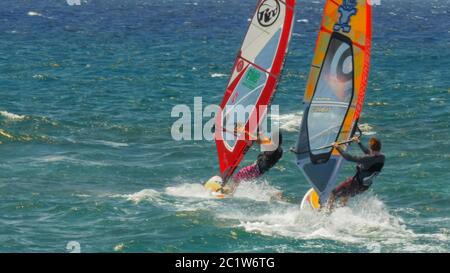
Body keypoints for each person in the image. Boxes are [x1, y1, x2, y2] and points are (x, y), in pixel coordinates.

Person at [326, 136, 385, 210]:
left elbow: (349, 158)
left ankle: (326, 212)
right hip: (364, 186)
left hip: (356, 183)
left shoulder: (367, 158)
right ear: (379, 148)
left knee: (333, 193)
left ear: (371, 147)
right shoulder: (382, 157)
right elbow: (369, 153)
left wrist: (337, 147)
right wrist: (358, 142)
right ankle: (340, 211)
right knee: (345, 195)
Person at [221, 129, 283, 195]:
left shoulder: (272, 146)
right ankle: (230, 191)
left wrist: (246, 133)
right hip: (259, 171)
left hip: (256, 169)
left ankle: (228, 192)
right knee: (239, 178)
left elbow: (260, 141)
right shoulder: (279, 149)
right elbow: (263, 141)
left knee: (238, 177)